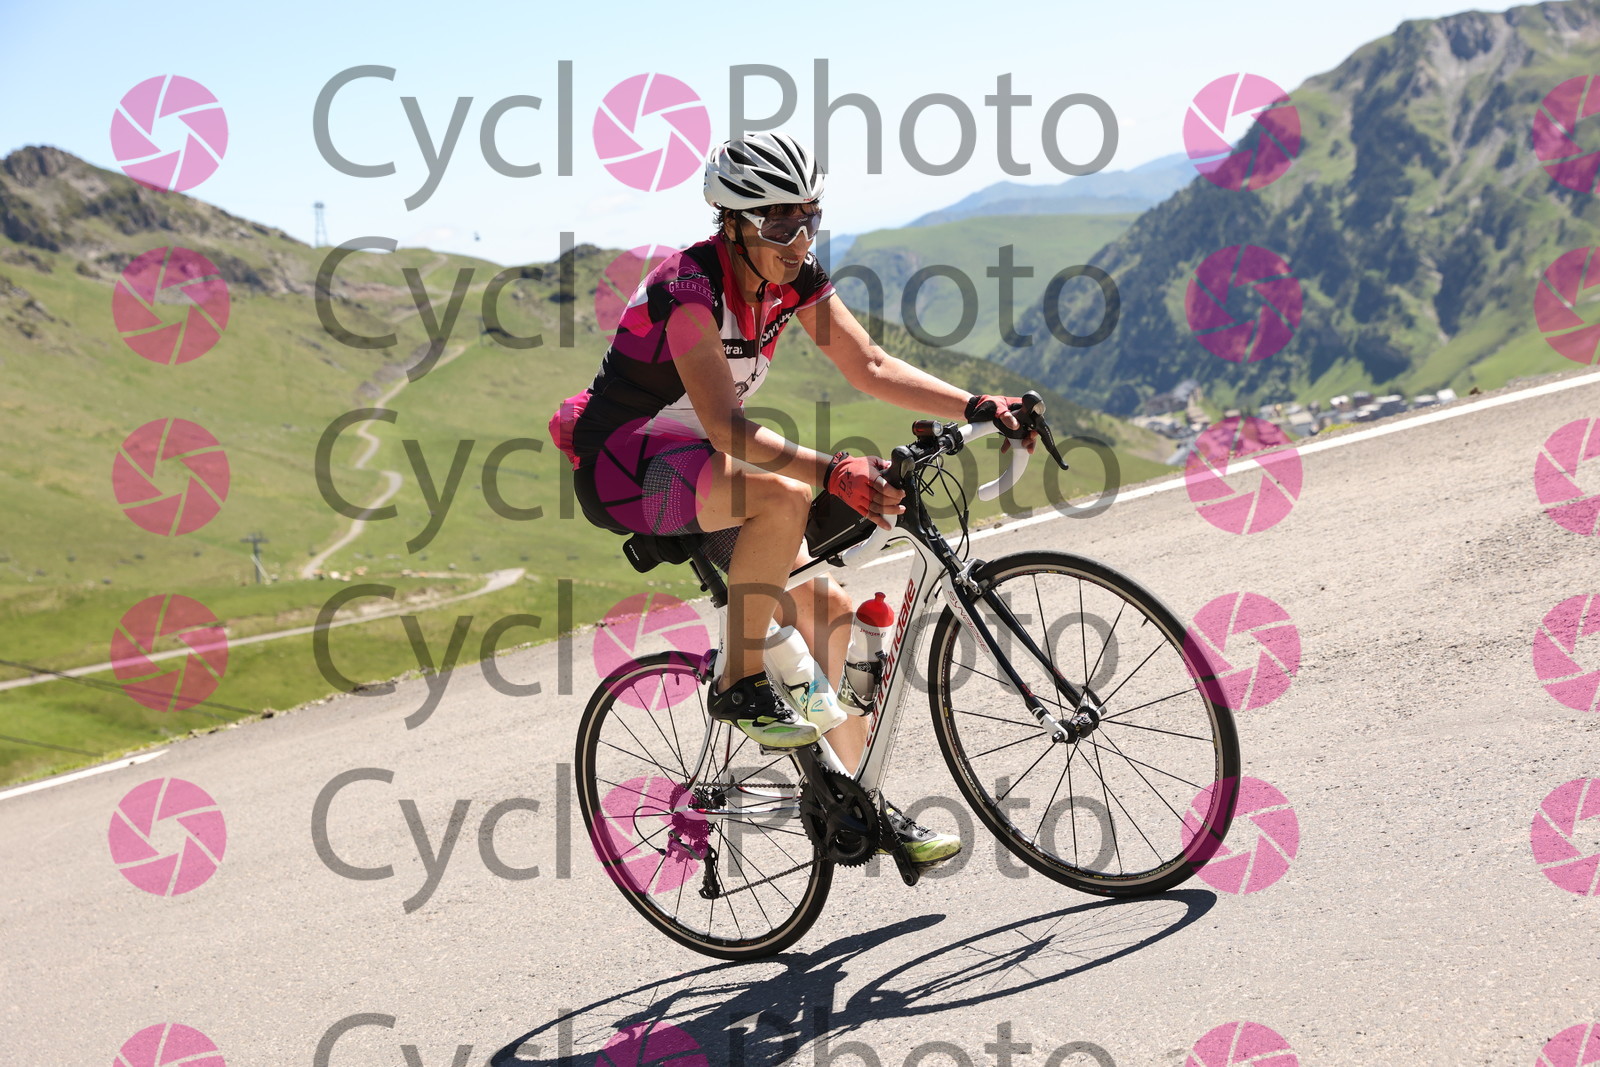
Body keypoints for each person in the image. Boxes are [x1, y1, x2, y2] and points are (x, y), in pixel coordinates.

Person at [566, 132, 1033, 865]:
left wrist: (977, 404)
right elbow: (727, 424)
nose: (800, 238)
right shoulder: (687, 288)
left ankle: (859, 800)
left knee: (829, 610)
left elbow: (869, 364)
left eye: (809, 217)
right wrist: (833, 470)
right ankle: (738, 682)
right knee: (784, 497)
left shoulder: (793, 278)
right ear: (732, 224)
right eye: (780, 223)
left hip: (701, 466)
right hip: (625, 465)